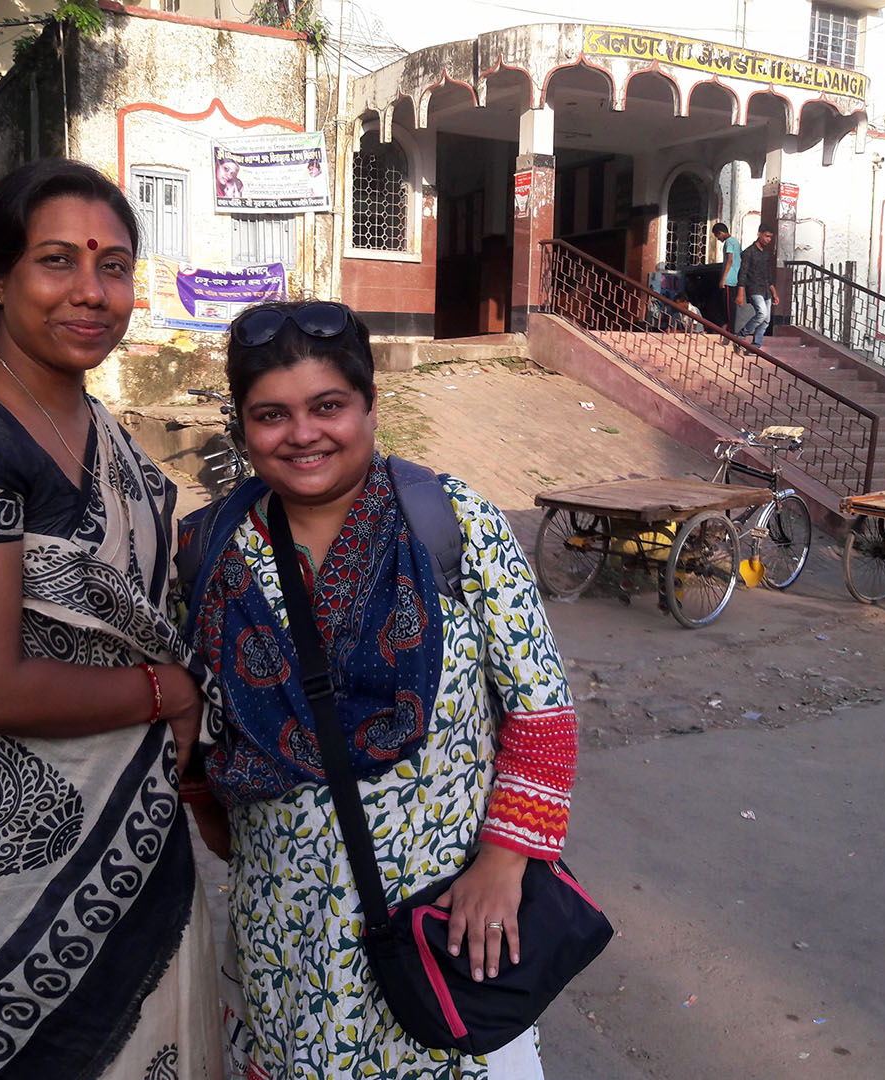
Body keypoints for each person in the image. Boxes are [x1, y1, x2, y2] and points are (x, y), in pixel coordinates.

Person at [0, 158, 223, 1080]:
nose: (92, 292)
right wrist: (168, 690)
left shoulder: (94, 423)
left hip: (133, 838)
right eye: (57, 261)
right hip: (9, 881)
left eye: (114, 266)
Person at [179, 300, 580, 1079]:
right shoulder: (212, 554)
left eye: (328, 406)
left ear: (369, 405)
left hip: (446, 929)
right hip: (284, 939)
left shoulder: (451, 524)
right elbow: (207, 744)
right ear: (242, 424)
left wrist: (502, 864)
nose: (303, 434)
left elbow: (542, 715)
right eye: (272, 415)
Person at [735, 224, 779, 348]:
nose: (768, 240)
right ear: (759, 234)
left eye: (770, 237)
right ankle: (742, 334)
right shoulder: (748, 252)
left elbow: (768, 274)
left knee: (766, 320)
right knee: (762, 314)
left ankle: (755, 346)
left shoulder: (766, 254)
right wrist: (740, 293)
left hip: (766, 290)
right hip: (754, 288)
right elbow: (742, 273)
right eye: (766, 236)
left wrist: (774, 292)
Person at [711, 222, 741, 331]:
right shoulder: (736, 242)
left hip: (729, 279)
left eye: (717, 236)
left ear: (721, 233)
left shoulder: (728, 242)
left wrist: (723, 279)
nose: (718, 239)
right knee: (730, 306)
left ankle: (729, 329)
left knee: (728, 307)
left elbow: (730, 260)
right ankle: (729, 328)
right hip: (735, 278)